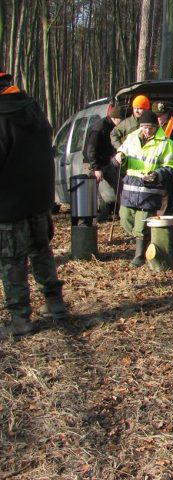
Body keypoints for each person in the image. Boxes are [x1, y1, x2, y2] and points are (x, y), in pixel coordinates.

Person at [0, 71, 69, 337]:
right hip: (39, 200)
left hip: (9, 206)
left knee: (12, 260)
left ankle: (20, 318)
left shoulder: (3, 117)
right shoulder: (34, 111)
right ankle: (55, 303)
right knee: (41, 251)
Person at [114, 110, 173, 267]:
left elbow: (171, 166)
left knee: (141, 223)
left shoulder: (166, 143)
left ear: (156, 127)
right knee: (125, 218)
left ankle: (139, 256)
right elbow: (120, 155)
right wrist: (119, 159)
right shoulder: (131, 138)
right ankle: (147, 239)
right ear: (140, 126)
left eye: (151, 127)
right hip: (131, 185)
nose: (148, 131)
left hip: (150, 187)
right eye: (145, 127)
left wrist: (157, 174)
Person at [83, 104, 123, 219]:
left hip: (106, 163)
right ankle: (89, 218)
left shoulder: (112, 127)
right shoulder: (99, 127)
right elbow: (90, 150)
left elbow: (108, 145)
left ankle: (121, 212)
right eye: (121, 119)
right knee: (91, 189)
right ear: (115, 118)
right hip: (93, 163)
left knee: (119, 184)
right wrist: (96, 168)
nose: (122, 122)